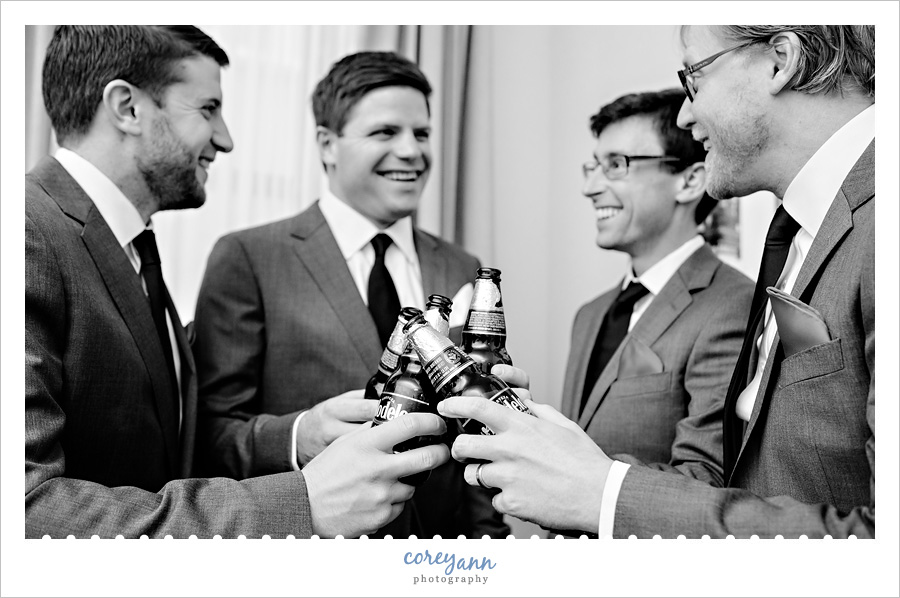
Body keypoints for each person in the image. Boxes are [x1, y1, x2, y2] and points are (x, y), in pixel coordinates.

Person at [439, 25, 875, 539]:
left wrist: (600, 492)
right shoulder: (800, 236)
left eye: (694, 78)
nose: (687, 115)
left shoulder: (863, 231)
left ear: (780, 60)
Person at [25, 25, 449, 539]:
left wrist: (298, 436)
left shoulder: (131, 248)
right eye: (208, 109)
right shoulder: (25, 233)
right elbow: (26, 509)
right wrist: (303, 503)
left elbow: (174, 447)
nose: (225, 139)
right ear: (127, 108)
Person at [192, 51, 508, 538]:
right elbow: (210, 432)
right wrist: (298, 435)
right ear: (328, 145)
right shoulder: (249, 257)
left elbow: (476, 426)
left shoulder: (461, 267)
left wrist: (489, 545)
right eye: (385, 132)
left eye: (422, 134)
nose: (412, 151)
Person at [563, 89, 752, 484]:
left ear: (690, 181)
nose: (590, 187)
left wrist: (562, 470)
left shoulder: (733, 307)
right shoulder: (589, 316)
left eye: (617, 164)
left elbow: (704, 478)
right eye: (593, 166)